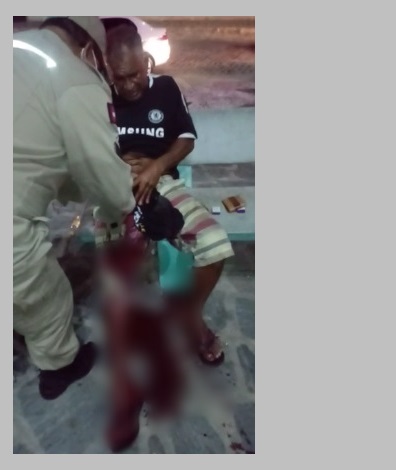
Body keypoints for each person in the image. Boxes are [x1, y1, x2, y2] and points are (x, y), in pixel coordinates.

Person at [13, 17, 135, 400]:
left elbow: (34, 140)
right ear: (89, 50)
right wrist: (126, 205)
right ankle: (60, 366)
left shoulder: (17, 47)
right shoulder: (75, 76)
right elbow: (107, 181)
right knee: (44, 295)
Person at [104, 25, 235, 365]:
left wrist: (156, 166)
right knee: (119, 260)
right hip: (114, 186)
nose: (128, 86)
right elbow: (87, 148)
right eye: (120, 78)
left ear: (146, 61)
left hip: (163, 184)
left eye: (134, 75)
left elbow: (187, 138)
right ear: (108, 70)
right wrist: (119, 165)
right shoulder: (99, 95)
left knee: (214, 243)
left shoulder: (166, 88)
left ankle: (190, 314)